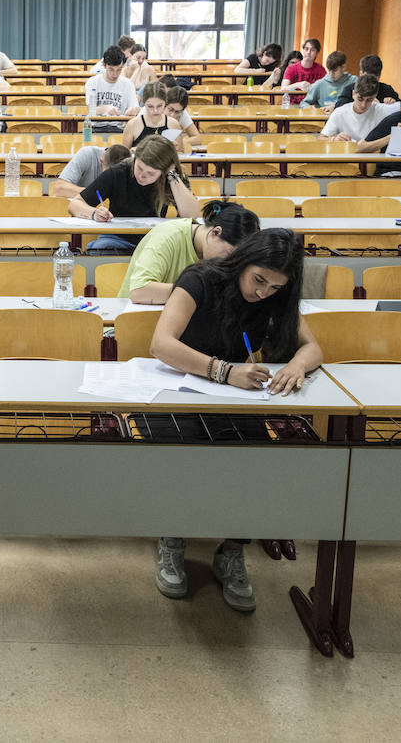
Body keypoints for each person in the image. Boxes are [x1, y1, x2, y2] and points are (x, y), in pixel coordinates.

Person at [149, 228, 322, 606]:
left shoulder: (276, 298)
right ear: (243, 262)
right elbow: (161, 344)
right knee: (179, 452)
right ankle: (172, 538)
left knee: (254, 457)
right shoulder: (201, 279)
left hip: (230, 398)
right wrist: (224, 371)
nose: (263, 293)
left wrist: (296, 365)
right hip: (180, 390)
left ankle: (232, 549)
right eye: (259, 280)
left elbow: (312, 348)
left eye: (274, 288)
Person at [67, 136, 200, 253]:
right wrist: (93, 213)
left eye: (151, 173)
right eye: (139, 168)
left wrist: (171, 175)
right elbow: (75, 204)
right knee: (100, 249)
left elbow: (191, 215)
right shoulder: (119, 171)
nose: (142, 175)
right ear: (135, 159)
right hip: (117, 238)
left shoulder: (173, 177)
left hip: (156, 239)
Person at [119, 201, 261, 303]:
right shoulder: (168, 236)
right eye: (229, 254)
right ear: (216, 232)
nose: (228, 263)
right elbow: (140, 291)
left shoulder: (211, 250)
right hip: (135, 322)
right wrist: (198, 292)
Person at [318, 74, 393, 143]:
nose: (363, 105)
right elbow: (321, 139)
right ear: (353, 94)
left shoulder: (382, 110)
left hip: (373, 155)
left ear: (375, 96)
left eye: (369, 100)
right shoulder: (339, 112)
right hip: (346, 155)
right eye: (360, 99)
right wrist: (333, 139)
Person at [85, 46, 139, 138]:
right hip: (96, 128)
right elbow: (91, 109)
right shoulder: (92, 82)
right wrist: (106, 108)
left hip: (119, 129)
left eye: (119, 70)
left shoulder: (128, 84)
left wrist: (133, 110)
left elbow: (135, 108)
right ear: (104, 65)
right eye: (111, 69)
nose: (115, 74)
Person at [50, 143, 131, 200]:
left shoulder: (132, 165)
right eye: (110, 175)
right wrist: (94, 193)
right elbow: (59, 188)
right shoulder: (86, 154)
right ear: (101, 161)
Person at [331, 55, 400, 112]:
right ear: (361, 73)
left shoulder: (387, 90)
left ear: (379, 76)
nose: (371, 82)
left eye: (375, 78)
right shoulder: (350, 89)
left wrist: (392, 105)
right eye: (368, 77)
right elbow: (338, 110)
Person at [282, 38, 325, 103]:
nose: (308, 52)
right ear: (303, 50)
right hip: (293, 105)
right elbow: (283, 88)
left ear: (317, 53)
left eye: (312, 50)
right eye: (306, 49)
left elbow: (326, 88)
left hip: (313, 106)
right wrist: (298, 85)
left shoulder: (320, 69)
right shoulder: (291, 68)